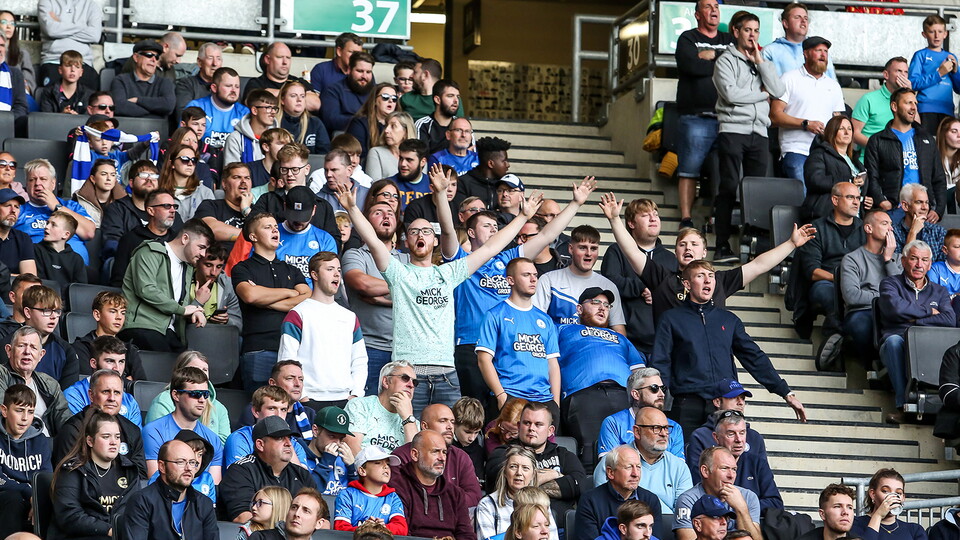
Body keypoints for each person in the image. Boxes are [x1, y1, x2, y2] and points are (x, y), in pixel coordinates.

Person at [339, 157, 545, 415]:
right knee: (407, 437)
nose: (420, 235)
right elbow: (372, 239)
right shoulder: (398, 272)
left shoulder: (449, 272)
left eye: (426, 232)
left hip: (447, 374)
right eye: (413, 232)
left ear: (435, 242)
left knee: (445, 439)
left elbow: (492, 246)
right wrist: (352, 209)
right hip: (408, 374)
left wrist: (523, 216)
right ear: (406, 241)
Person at [651, 259, 806, 439]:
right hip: (687, 403)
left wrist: (785, 392)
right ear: (687, 283)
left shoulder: (729, 320)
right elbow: (660, 362)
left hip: (725, 404)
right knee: (688, 460)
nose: (708, 280)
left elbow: (754, 357)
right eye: (700, 276)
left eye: (711, 276)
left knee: (726, 462)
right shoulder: (670, 319)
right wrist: (657, 398)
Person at [711, 12, 786, 262]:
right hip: (732, 129)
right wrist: (761, 95)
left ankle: (754, 245)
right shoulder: (725, 61)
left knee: (757, 191)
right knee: (729, 187)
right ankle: (721, 245)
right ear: (736, 32)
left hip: (760, 132)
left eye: (756, 30)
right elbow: (732, 95)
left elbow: (778, 90)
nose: (752, 35)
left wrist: (761, 63)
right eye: (747, 30)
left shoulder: (763, 61)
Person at [557, 286, 645, 468]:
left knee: (628, 454)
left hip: (623, 396)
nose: (602, 307)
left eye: (606, 305)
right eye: (595, 302)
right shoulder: (563, 330)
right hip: (584, 394)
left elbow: (640, 373)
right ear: (579, 309)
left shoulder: (620, 338)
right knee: (590, 455)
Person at [232, 213, 311, 391]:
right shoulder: (242, 268)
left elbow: (307, 298)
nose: (275, 230)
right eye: (267, 227)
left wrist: (265, 300)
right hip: (258, 349)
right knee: (259, 409)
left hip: (293, 350)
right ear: (253, 237)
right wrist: (290, 292)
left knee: (289, 410)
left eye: (275, 226)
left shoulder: (293, 269)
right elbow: (250, 296)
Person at [879, 240, 955, 423]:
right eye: (914, 259)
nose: (919, 265)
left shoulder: (940, 291)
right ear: (904, 261)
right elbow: (895, 309)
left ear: (930, 264)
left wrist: (915, 319)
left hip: (928, 344)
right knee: (894, 342)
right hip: (897, 341)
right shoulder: (889, 284)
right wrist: (929, 312)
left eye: (924, 260)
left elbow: (949, 320)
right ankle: (902, 405)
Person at [279, 251, 366, 409]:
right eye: (330, 269)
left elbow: (359, 359)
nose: (336, 274)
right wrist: (303, 396)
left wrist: (356, 394)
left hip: (345, 399)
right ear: (314, 275)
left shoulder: (350, 317)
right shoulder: (298, 314)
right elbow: (286, 361)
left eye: (339, 270)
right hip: (309, 400)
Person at [672, 0, 732, 229]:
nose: (714, 10)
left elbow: (738, 67)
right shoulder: (687, 38)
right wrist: (720, 61)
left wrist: (710, 57)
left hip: (727, 118)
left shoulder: (728, 40)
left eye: (716, 6)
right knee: (689, 169)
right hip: (695, 116)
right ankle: (686, 218)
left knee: (723, 170)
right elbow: (690, 67)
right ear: (697, 14)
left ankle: (716, 216)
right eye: (708, 6)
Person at [476, 257, 561, 416]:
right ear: (510, 280)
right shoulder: (495, 315)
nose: (533, 279)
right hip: (511, 394)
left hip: (543, 399)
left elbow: (552, 363)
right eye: (526, 275)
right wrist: (501, 395)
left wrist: (555, 403)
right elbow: (483, 359)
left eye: (535, 275)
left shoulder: (545, 319)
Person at [342, 198, 409, 395]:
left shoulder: (406, 259)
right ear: (365, 222)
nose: (386, 215)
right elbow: (362, 284)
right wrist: (403, 290)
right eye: (378, 212)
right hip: (369, 348)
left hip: (403, 351)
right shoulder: (356, 255)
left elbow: (418, 293)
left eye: (390, 213)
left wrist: (378, 296)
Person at [793, 182, 866, 357]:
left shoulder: (865, 229)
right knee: (831, 294)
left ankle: (837, 338)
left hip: (859, 283)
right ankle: (837, 340)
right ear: (834, 199)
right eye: (850, 197)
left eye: (858, 198)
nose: (856, 202)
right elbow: (812, 271)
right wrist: (841, 279)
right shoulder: (816, 228)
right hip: (826, 282)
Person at [119, 218, 212, 352]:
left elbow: (179, 305)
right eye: (201, 247)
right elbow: (146, 289)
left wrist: (197, 308)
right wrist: (183, 310)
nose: (203, 254)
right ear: (185, 238)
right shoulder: (149, 252)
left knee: (191, 364)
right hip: (142, 326)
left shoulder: (188, 267)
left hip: (169, 332)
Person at [47, 410, 140, 540]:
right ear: (90, 441)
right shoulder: (73, 471)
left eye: (117, 437)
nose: (113, 442)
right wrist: (108, 529)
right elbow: (69, 516)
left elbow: (136, 511)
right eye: (106, 436)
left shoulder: (129, 470)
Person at [600, 198, 677, 355]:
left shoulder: (671, 259)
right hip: (629, 341)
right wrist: (641, 288)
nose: (653, 218)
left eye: (655, 214)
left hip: (664, 344)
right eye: (645, 215)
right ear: (631, 224)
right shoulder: (616, 251)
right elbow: (610, 282)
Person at [486, 402, 587, 517]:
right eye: (527, 423)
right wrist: (555, 475)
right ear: (519, 426)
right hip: (513, 524)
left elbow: (580, 485)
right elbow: (503, 483)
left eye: (538, 424)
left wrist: (525, 484)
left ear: (550, 431)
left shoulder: (564, 455)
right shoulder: (502, 453)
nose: (531, 429)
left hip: (560, 529)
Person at [865, 88, 947, 218]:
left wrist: (938, 210)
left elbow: (939, 178)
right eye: (908, 103)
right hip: (893, 209)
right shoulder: (877, 140)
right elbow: (872, 176)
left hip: (924, 211)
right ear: (894, 106)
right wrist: (882, 201)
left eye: (915, 103)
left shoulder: (926, 139)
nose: (914, 107)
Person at [592, 408, 692, 514]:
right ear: (637, 432)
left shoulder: (679, 467)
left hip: (668, 529)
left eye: (666, 428)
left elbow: (683, 515)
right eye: (656, 428)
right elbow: (604, 508)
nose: (664, 434)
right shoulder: (612, 461)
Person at [220, 416, 318, 523]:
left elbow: (322, 519)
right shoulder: (240, 471)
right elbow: (243, 517)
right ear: (260, 445)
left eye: (289, 438)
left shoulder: (302, 475)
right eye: (280, 438)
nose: (288, 443)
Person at [52, 367, 145, 477]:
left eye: (117, 393)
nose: (112, 398)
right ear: (91, 395)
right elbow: (68, 477)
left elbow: (141, 475)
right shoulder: (72, 430)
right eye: (106, 392)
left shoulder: (132, 430)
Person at [534, 225, 627, 333]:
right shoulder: (549, 280)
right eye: (582, 247)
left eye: (593, 248)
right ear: (570, 249)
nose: (588, 253)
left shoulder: (608, 286)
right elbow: (536, 321)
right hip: (559, 347)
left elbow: (619, 331)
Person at [121, 439, 218, 540]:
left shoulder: (204, 503)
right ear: (162, 466)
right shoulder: (142, 501)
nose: (189, 468)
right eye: (181, 462)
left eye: (192, 462)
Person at [840, 210, 902, 367]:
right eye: (884, 224)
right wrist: (886, 299)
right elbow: (852, 296)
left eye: (891, 224)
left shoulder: (899, 259)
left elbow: (903, 292)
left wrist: (888, 260)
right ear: (868, 228)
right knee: (862, 324)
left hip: (895, 312)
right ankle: (871, 365)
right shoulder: (852, 259)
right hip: (864, 311)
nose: (890, 229)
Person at [388, 430, 476, 540]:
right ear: (415, 455)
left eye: (444, 452)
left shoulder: (455, 493)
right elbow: (402, 535)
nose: (442, 458)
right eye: (435, 452)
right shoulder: (397, 487)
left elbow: (466, 535)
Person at [391, 403, 482, 506]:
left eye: (452, 422)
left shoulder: (460, 457)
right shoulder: (402, 455)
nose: (450, 427)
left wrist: (439, 504)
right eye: (442, 421)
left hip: (452, 518)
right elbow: (395, 496)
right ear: (425, 426)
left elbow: (474, 496)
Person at [249, 142, 340, 244]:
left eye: (295, 169)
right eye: (284, 169)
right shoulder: (267, 200)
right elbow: (249, 230)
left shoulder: (323, 206)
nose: (289, 174)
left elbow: (334, 242)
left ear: (307, 169)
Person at [142, 366, 224, 479]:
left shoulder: (212, 439)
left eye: (205, 394)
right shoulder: (154, 431)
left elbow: (213, 487)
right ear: (176, 395)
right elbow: (155, 480)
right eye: (195, 394)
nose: (202, 400)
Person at [574, 444, 663, 540]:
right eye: (628, 467)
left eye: (638, 467)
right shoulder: (589, 501)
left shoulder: (650, 500)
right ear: (610, 472)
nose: (635, 474)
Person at [15, 159, 96, 263]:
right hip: (37, 269)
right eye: (32, 180)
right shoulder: (18, 210)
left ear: (53, 184)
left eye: (43, 179)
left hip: (74, 269)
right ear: (26, 185)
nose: (37, 183)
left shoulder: (72, 206)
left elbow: (89, 233)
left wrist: (57, 207)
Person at [101, 161, 184, 261]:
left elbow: (181, 243)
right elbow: (112, 244)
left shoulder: (170, 212)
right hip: (128, 262)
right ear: (131, 183)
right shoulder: (117, 209)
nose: (149, 179)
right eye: (143, 175)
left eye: (154, 176)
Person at [0, 284, 79, 389]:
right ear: (28, 312)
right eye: (46, 311)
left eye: (57, 311)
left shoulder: (67, 352)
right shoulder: (5, 345)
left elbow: (67, 397)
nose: (54, 316)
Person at [673, 447, 762, 540]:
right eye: (724, 468)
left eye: (734, 469)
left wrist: (741, 510)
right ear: (705, 471)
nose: (731, 475)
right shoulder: (688, 500)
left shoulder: (748, 497)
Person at [684, 380, 767, 478]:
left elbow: (765, 477)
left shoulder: (755, 437)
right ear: (717, 402)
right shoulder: (700, 436)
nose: (740, 403)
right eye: (734, 398)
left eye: (742, 398)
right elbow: (697, 477)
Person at [0, 384, 52, 540]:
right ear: (4, 410)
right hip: (8, 498)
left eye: (30, 412)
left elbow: (46, 477)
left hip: (31, 498)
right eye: (19, 410)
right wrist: (30, 494)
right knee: (12, 498)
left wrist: (38, 499)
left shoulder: (40, 441)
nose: (25, 418)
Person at [598, 368, 684, 461]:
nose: (662, 394)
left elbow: (678, 469)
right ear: (636, 394)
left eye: (663, 388)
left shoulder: (674, 427)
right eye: (654, 388)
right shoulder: (613, 423)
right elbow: (609, 465)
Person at [145, 351, 231, 441]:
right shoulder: (163, 401)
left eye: (205, 370)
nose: (201, 373)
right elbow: (157, 436)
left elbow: (223, 443)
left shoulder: (220, 408)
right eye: (195, 369)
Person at [475, 446, 555, 540]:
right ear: (505, 471)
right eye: (513, 467)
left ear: (533, 475)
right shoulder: (487, 505)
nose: (519, 473)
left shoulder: (541, 503)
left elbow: (553, 537)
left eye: (525, 468)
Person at [709, 410, 782, 512]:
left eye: (742, 433)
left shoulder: (757, 464)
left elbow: (776, 503)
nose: (739, 439)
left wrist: (741, 505)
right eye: (731, 434)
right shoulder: (708, 464)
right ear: (716, 437)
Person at [344, 360, 419, 454]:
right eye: (405, 378)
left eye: (415, 382)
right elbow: (352, 447)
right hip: (362, 467)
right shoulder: (360, 405)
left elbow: (413, 459)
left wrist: (408, 418)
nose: (411, 385)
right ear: (386, 381)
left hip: (396, 468)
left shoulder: (413, 424)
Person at [802, 116, 867, 221]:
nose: (847, 132)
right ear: (832, 132)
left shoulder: (855, 160)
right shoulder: (819, 154)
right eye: (842, 129)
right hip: (827, 216)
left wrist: (865, 199)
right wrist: (848, 182)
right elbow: (815, 180)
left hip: (855, 218)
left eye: (849, 129)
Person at [225, 385, 308, 467]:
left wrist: (286, 440)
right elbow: (240, 477)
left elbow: (302, 479)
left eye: (283, 410)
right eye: (272, 408)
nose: (278, 415)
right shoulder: (241, 438)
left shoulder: (294, 444)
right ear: (256, 411)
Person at [110, 189, 180, 286]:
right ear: (151, 211)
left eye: (174, 206)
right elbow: (119, 280)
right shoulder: (130, 239)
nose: (173, 210)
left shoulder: (177, 240)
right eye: (166, 206)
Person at [333, 445, 408, 534]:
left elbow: (402, 529)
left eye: (387, 464)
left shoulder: (392, 497)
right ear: (362, 471)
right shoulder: (347, 495)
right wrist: (366, 530)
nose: (386, 467)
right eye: (378, 463)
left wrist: (382, 528)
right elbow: (340, 529)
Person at [63, 338, 140, 421]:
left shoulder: (130, 401)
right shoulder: (74, 394)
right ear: (94, 363)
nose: (117, 368)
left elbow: (134, 433)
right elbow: (78, 430)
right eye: (110, 361)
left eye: (121, 361)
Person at [909, 15, 960, 130]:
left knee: (944, 145)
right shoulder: (920, 55)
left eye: (940, 31)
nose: (936, 36)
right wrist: (939, 74)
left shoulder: (951, 57)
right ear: (924, 34)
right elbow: (913, 84)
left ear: (945, 34)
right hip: (926, 109)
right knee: (927, 144)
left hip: (947, 109)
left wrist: (956, 73)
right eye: (932, 32)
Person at [38, 0, 101, 90]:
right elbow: (51, 30)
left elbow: (94, 36)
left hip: (82, 63)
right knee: (52, 98)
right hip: (54, 60)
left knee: (90, 99)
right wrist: (83, 27)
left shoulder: (91, 5)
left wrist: (59, 24)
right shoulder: (47, 2)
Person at [761, 3, 837, 78]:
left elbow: (831, 82)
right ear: (786, 23)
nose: (803, 20)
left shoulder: (819, 49)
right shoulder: (770, 51)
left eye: (806, 18)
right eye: (797, 17)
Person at [852, 57, 911, 151]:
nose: (903, 75)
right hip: (871, 160)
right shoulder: (868, 99)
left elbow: (917, 126)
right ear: (886, 75)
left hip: (902, 159)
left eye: (906, 72)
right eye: (899, 71)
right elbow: (854, 133)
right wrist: (879, 149)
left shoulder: (909, 101)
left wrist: (909, 94)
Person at [241, 42, 319, 112]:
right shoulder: (256, 83)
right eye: (280, 57)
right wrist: (298, 97)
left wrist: (278, 94)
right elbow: (256, 105)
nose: (285, 62)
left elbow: (315, 104)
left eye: (288, 58)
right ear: (267, 59)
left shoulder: (299, 82)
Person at [849, 468, 925, 540]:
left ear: (903, 498)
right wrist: (878, 516)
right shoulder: (855, 524)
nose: (893, 496)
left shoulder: (915, 530)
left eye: (898, 493)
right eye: (885, 491)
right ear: (873, 494)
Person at [186, 67, 250, 151]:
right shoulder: (196, 106)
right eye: (228, 86)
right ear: (214, 88)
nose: (234, 91)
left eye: (237, 87)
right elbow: (184, 139)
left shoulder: (244, 112)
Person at [111, 40, 175, 118]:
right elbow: (119, 106)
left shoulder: (165, 83)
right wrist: (154, 112)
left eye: (157, 57)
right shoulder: (120, 80)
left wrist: (137, 100)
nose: (153, 60)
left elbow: (168, 105)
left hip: (158, 129)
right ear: (136, 57)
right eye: (149, 55)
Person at [302, 405, 356, 494]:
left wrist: (352, 468)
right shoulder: (300, 457)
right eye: (332, 436)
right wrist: (326, 462)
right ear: (315, 430)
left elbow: (359, 498)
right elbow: (308, 495)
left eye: (341, 438)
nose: (337, 443)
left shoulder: (344, 459)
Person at [322, 51, 376, 136]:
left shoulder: (376, 91)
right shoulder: (333, 90)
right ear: (349, 70)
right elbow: (331, 120)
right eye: (360, 71)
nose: (364, 76)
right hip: (346, 137)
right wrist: (364, 120)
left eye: (368, 72)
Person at [159, 143, 215, 222]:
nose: (190, 163)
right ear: (172, 163)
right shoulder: (158, 191)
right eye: (185, 159)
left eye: (194, 160)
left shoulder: (205, 192)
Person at [247, 488, 331, 540]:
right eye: (294, 507)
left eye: (306, 511)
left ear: (319, 523)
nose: (297, 514)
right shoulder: (260, 538)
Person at [225, 89, 281, 166]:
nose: (273, 112)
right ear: (254, 110)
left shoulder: (280, 138)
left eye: (274, 108)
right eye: (268, 108)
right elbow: (231, 173)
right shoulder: (235, 139)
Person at [891, 184, 947, 260]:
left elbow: (943, 266)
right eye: (919, 202)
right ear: (905, 206)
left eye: (926, 202)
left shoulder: (938, 232)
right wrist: (913, 232)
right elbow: (901, 266)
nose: (925, 207)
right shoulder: (893, 233)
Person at [33, 210, 86, 289]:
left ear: (66, 234)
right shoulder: (35, 249)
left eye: (53, 225)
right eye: (47, 223)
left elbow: (80, 289)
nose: (47, 227)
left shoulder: (76, 259)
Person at [346, 82, 398, 159]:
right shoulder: (360, 123)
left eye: (394, 98)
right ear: (375, 101)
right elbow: (358, 154)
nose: (390, 101)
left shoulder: (400, 124)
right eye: (385, 97)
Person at [72, 158, 126, 227]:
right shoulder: (79, 199)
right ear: (93, 179)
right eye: (104, 174)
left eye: (113, 175)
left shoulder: (124, 202)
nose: (109, 178)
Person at [280, 80, 331, 154]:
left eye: (302, 96)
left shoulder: (315, 123)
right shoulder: (274, 122)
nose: (299, 100)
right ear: (282, 100)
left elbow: (324, 155)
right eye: (293, 96)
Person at [35, 50, 92, 114]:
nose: (72, 70)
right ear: (60, 70)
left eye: (77, 67)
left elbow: (88, 120)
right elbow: (46, 119)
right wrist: (62, 116)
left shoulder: (88, 94)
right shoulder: (48, 92)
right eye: (68, 66)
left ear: (81, 72)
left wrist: (76, 118)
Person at [366, 111, 416, 181]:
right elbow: (374, 186)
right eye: (386, 126)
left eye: (393, 126)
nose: (386, 130)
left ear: (406, 132)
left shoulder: (418, 155)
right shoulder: (376, 153)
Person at [317, 149, 370, 213]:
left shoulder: (367, 196)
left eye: (334, 170)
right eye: (326, 170)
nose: (328, 175)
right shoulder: (318, 199)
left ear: (349, 171)